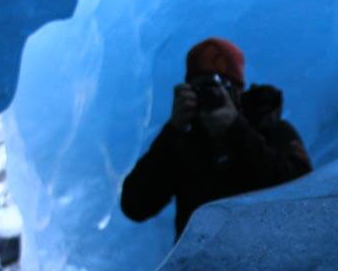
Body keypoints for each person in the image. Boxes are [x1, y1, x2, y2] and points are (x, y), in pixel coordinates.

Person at [120, 38, 312, 239]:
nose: (209, 96)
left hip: (266, 260)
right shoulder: (184, 145)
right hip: (204, 269)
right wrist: (173, 130)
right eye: (200, 88)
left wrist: (237, 130)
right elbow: (135, 206)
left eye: (219, 86)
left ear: (238, 91)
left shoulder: (272, 130)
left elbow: (305, 191)